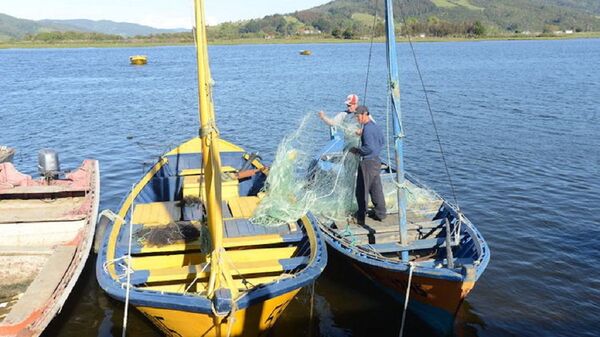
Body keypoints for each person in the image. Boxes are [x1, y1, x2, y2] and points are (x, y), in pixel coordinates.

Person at [350, 105, 386, 224]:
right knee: (376, 189)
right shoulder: (375, 126)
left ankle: (361, 217)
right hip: (376, 161)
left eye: (358, 116)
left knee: (361, 190)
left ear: (364, 114)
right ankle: (380, 213)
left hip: (368, 163)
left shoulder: (367, 129)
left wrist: (357, 150)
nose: (357, 119)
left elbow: (368, 148)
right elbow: (382, 141)